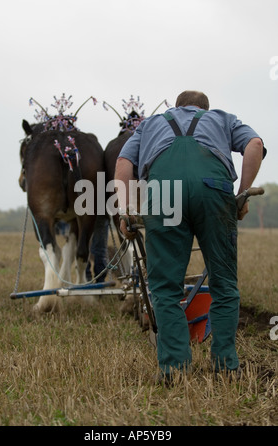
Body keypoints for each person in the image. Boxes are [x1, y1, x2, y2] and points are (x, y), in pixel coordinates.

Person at [114, 90, 266, 383]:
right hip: (213, 189)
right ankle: (225, 367)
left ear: (177, 107)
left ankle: (174, 370)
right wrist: (243, 193)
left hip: (163, 193)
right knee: (224, 284)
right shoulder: (222, 118)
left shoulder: (150, 124)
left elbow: (123, 164)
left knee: (165, 287)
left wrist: (126, 209)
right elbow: (255, 143)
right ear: (204, 109)